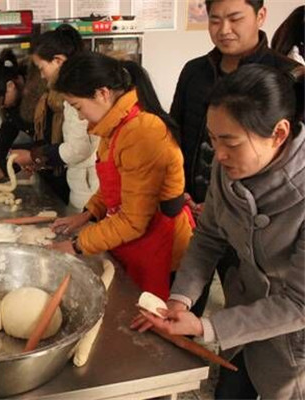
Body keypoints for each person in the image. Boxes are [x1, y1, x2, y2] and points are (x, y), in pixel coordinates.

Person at [132, 64, 305, 399]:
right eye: (213, 139)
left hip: (292, 339)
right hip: (244, 321)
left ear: (279, 133)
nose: (219, 154)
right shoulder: (229, 168)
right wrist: (180, 299)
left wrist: (206, 326)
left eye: (231, 142)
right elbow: (208, 236)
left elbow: (299, 304)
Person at [169, 0, 302, 316]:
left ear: (260, 15)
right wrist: (180, 189)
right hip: (199, 205)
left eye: (235, 18)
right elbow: (175, 131)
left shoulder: (290, 76)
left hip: (265, 220)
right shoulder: (195, 72)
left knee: (254, 298)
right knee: (199, 293)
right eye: (215, 20)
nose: (224, 30)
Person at [49, 52, 194, 300]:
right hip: (137, 241)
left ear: (102, 93)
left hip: (162, 250)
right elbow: (114, 186)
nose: (81, 117)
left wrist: (77, 245)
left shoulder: (142, 131)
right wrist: (87, 214)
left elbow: (133, 221)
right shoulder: (115, 126)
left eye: (78, 107)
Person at [11, 24, 99, 209]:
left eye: (42, 68)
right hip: (81, 183)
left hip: (89, 188)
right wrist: (41, 159)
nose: (42, 76)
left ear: (58, 61)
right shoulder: (63, 94)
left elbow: (79, 148)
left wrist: (34, 156)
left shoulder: (77, 93)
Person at [0, 49, 46, 182]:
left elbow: (49, 142)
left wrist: (7, 167)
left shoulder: (41, 97)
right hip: (44, 158)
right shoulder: (12, 100)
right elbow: (8, 129)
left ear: (10, 86)